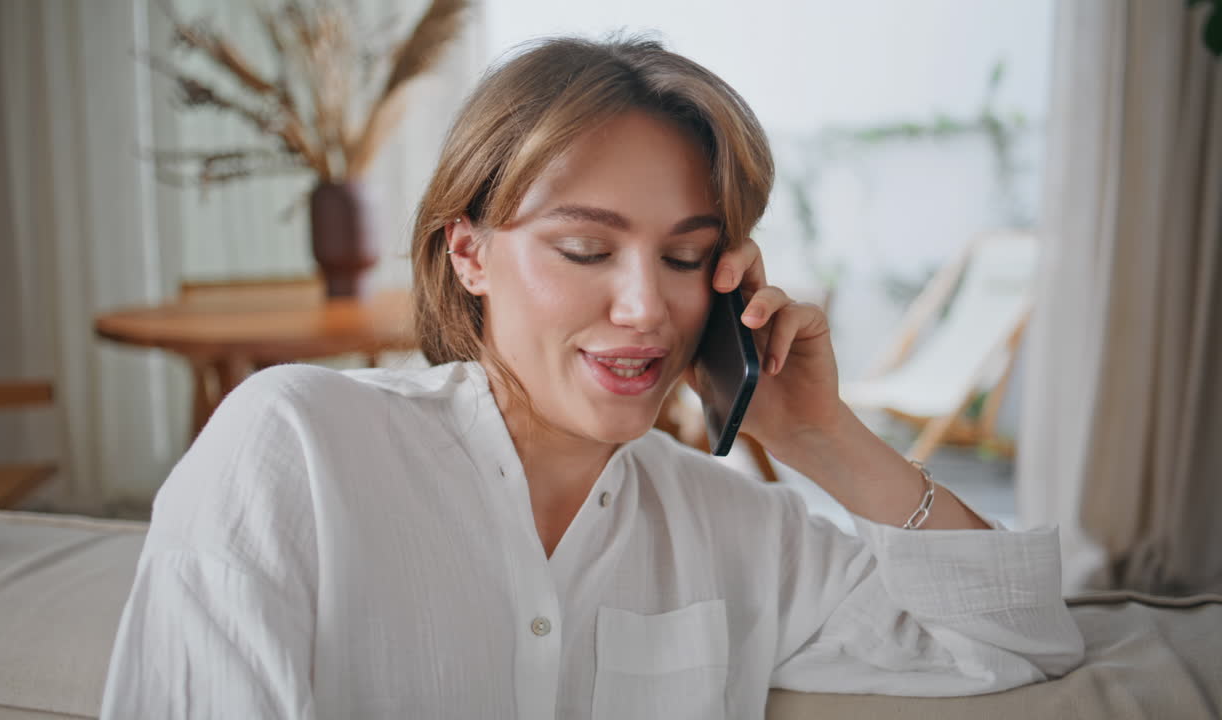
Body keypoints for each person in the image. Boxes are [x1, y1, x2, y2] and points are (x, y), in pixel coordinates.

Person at [100, 36, 1083, 719]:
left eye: (685, 255)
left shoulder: (736, 531)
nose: (645, 308)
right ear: (468, 254)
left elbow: (1020, 641)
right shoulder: (294, 448)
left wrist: (818, 435)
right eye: (583, 248)